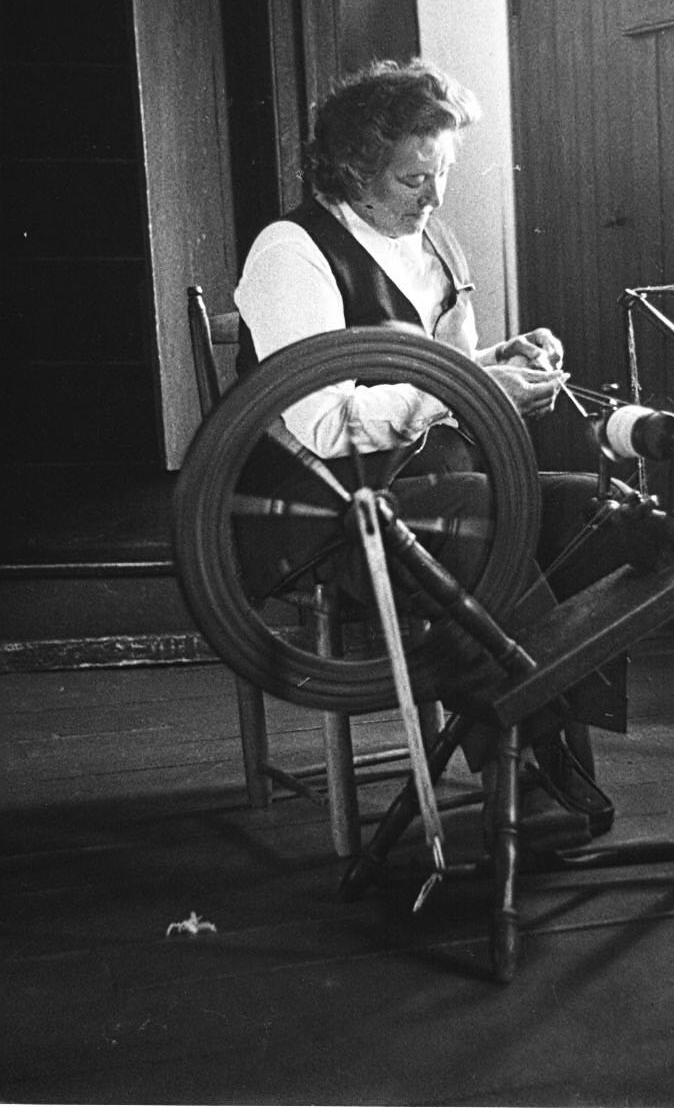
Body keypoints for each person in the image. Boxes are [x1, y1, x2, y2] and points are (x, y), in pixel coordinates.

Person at [234, 59, 625, 851]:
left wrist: (502, 359)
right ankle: (530, 768)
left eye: (442, 173)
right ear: (354, 171)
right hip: (317, 511)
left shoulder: (434, 242)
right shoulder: (292, 253)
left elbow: (439, 366)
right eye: (414, 178)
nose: (435, 196)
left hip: (419, 489)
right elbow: (326, 424)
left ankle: (541, 746)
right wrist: (468, 388)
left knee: (586, 505)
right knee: (480, 514)